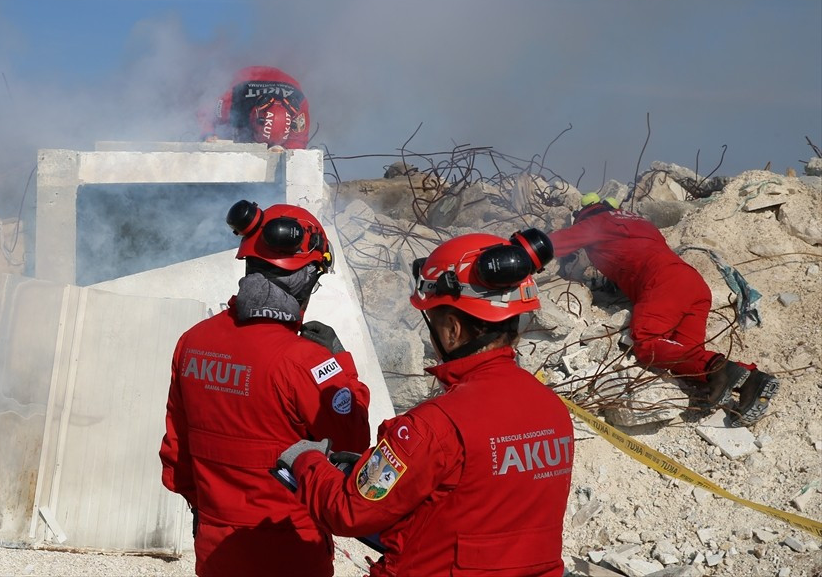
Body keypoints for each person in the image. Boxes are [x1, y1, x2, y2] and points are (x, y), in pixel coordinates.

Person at [276, 230, 574, 577]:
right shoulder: (553, 409)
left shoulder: (432, 426)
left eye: (432, 319)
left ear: (452, 330)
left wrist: (307, 461)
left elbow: (348, 511)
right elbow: (479, 501)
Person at [159, 200, 371, 577]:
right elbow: (353, 443)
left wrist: (209, 514)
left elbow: (177, 458)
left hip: (217, 549)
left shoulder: (193, 342)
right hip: (293, 551)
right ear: (304, 278)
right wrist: (341, 367)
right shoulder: (306, 361)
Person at [548, 193, 778, 426]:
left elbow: (551, 244)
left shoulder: (597, 222)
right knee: (684, 358)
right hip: (694, 284)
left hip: (663, 283)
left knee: (647, 343)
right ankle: (752, 379)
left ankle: (720, 368)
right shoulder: (640, 223)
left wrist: (525, 253)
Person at [202, 66, 310, 149]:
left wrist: (283, 149)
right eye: (258, 135)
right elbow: (205, 114)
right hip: (249, 77)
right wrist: (208, 134)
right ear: (255, 117)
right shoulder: (233, 101)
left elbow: (297, 145)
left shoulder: (299, 107)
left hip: (287, 82)